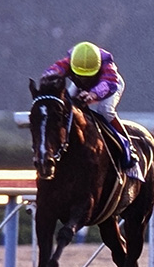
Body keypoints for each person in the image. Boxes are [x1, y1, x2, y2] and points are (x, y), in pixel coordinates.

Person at [42, 41, 140, 176]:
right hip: (84, 86)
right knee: (67, 104)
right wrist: (48, 80)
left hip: (109, 85)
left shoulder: (107, 66)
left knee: (105, 110)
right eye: (80, 75)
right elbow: (52, 71)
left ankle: (128, 145)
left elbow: (108, 84)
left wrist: (93, 94)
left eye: (87, 75)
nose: (84, 79)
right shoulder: (68, 62)